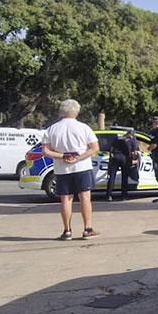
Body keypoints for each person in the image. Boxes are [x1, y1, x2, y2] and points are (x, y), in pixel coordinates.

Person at [42, 99, 100, 239]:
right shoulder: (84, 127)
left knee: (65, 199)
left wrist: (63, 156)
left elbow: (45, 151)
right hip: (82, 167)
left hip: (62, 169)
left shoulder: (52, 129)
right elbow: (94, 148)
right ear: (77, 111)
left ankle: (67, 230)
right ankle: (87, 228)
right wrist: (79, 157)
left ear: (62, 111)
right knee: (85, 197)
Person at [105, 127, 139, 202]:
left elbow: (111, 148)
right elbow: (134, 152)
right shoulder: (132, 139)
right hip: (125, 159)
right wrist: (135, 160)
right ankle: (124, 196)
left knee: (112, 177)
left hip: (115, 158)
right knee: (124, 177)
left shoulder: (118, 137)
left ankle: (109, 195)